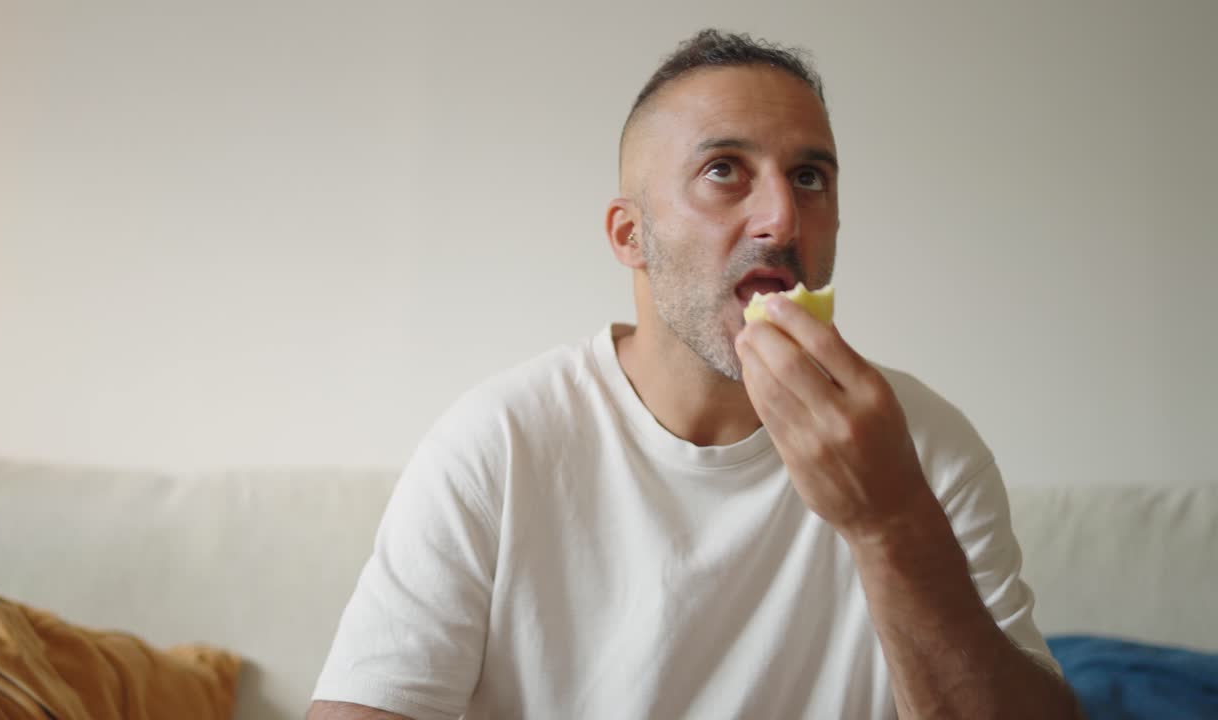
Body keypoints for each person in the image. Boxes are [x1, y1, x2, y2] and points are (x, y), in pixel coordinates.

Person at [308, 29, 1081, 720]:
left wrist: (890, 523)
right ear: (629, 235)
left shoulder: (925, 446)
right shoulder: (499, 443)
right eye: (724, 171)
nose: (782, 217)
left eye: (810, 177)